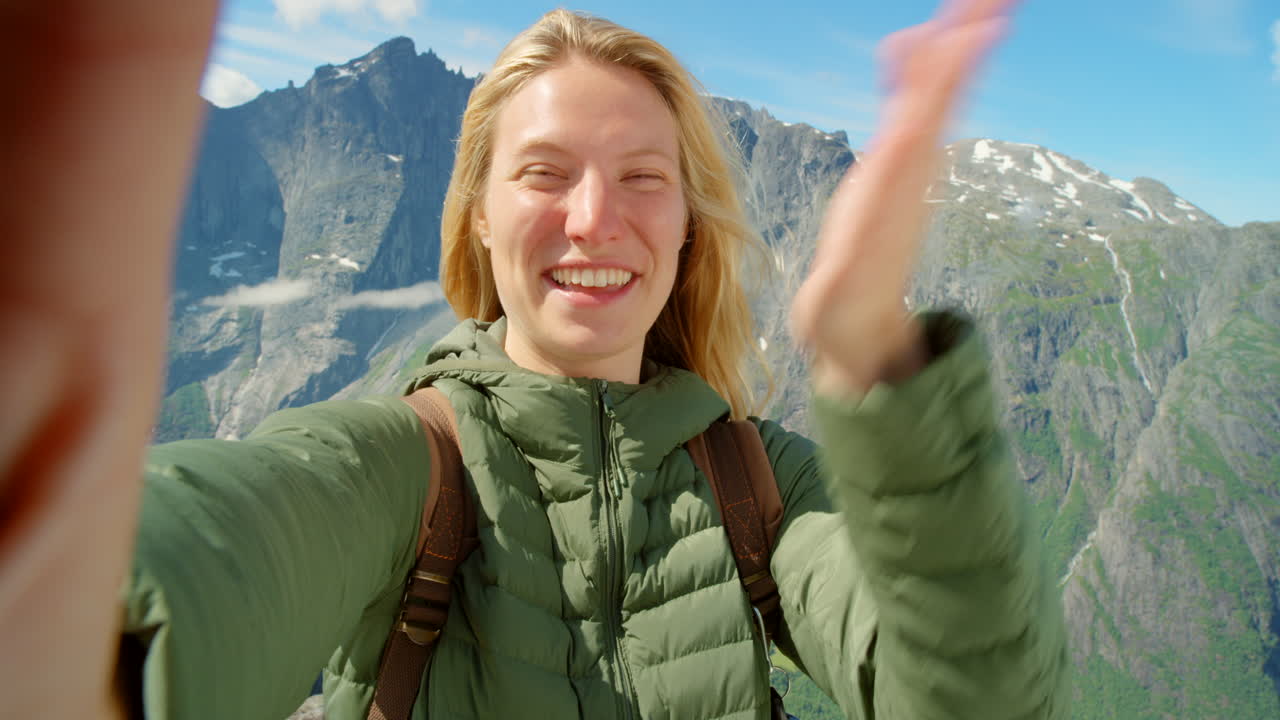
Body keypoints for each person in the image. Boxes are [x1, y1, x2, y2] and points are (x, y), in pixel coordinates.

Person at [0, 1, 1069, 719]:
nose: (594, 219)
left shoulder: (756, 485)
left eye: (643, 177)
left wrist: (880, 373)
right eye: (545, 172)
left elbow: (977, 693)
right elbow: (210, 553)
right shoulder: (396, 470)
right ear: (473, 217)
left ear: (689, 225)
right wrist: (65, 590)